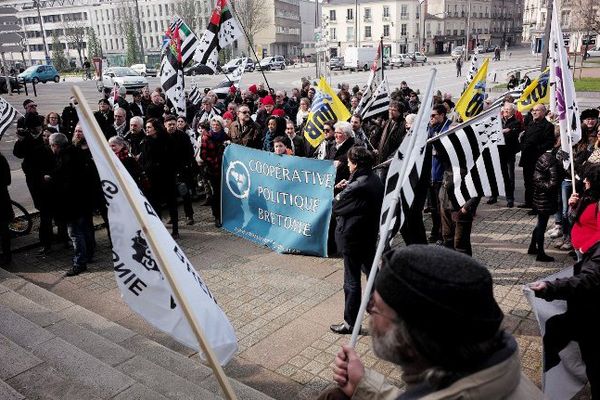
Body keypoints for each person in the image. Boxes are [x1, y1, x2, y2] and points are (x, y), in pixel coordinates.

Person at [319, 245, 542, 400]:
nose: (368, 310)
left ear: (408, 334)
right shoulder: (492, 374)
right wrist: (364, 386)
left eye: (376, 306)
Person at [530, 165, 600, 398]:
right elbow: (574, 221)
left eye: (589, 181)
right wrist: (572, 207)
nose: (585, 184)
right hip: (585, 256)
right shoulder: (588, 198)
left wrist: (550, 288)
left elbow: (590, 279)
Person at [330, 147, 383, 335]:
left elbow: (336, 205)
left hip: (353, 238)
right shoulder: (374, 178)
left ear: (357, 164)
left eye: (351, 162)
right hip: (367, 235)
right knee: (373, 275)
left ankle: (351, 322)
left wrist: (344, 190)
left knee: (351, 281)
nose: (348, 165)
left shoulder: (358, 185)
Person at [528, 130, 561, 262]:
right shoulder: (550, 159)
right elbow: (552, 182)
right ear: (556, 142)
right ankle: (540, 253)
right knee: (542, 224)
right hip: (545, 197)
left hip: (539, 196)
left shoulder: (543, 156)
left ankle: (532, 247)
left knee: (540, 223)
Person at [519, 104, 555, 211]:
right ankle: (528, 202)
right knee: (528, 182)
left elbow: (549, 142)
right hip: (526, 157)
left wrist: (537, 149)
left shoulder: (548, 126)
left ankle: (536, 206)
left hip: (537, 158)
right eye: (533, 111)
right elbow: (524, 138)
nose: (534, 112)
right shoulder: (530, 124)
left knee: (536, 183)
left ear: (544, 112)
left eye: (537, 110)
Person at [199, 116, 229, 227]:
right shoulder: (207, 137)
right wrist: (215, 160)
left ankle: (224, 214)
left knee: (222, 193)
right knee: (215, 194)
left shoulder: (225, 137)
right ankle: (217, 216)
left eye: (217, 125)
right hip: (212, 169)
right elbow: (203, 155)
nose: (215, 127)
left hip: (224, 169)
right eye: (213, 125)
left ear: (221, 126)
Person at [0, 152, 11, 265]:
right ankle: (7, 256)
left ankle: (7, 256)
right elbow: (8, 180)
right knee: (4, 229)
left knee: (3, 230)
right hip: (3, 199)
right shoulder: (2, 158)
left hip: (1, 201)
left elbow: (7, 180)